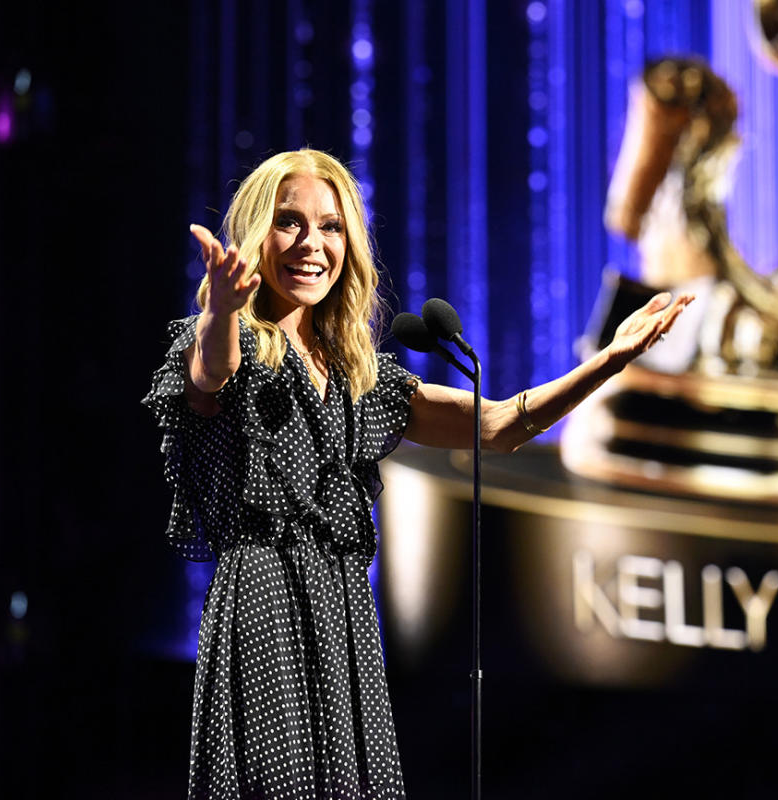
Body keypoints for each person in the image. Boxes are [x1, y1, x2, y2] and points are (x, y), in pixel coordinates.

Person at [142, 148, 692, 799]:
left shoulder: (362, 380)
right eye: (290, 222)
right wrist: (223, 313)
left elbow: (497, 425)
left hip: (343, 611)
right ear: (259, 234)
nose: (311, 243)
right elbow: (211, 379)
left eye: (331, 226)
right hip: (265, 600)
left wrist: (608, 360)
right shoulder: (224, 341)